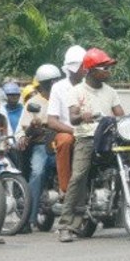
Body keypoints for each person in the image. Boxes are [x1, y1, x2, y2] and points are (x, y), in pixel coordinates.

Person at [57, 48, 125, 243]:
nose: (108, 72)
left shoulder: (111, 92)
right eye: (104, 68)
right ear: (91, 70)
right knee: (78, 176)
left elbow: (120, 114)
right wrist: (82, 116)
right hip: (86, 138)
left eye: (109, 67)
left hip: (110, 137)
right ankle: (65, 225)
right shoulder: (76, 92)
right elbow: (73, 117)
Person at [16, 64, 60, 233]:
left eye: (56, 80)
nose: (54, 84)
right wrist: (33, 127)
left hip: (61, 143)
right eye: (50, 82)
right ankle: (28, 218)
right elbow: (24, 129)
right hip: (42, 145)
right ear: (42, 84)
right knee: (37, 172)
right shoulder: (33, 103)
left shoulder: (64, 97)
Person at [46, 45, 86, 195]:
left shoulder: (90, 86)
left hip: (89, 131)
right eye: (81, 66)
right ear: (70, 69)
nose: (84, 70)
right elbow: (52, 121)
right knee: (65, 140)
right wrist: (73, 131)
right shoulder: (58, 87)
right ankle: (66, 190)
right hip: (68, 132)